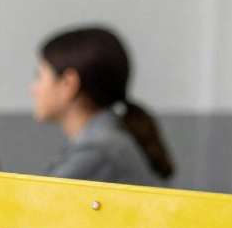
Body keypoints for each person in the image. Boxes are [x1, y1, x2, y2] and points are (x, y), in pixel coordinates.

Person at [30, 26, 174, 185]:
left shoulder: (96, 149)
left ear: (68, 84)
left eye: (39, 76)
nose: (33, 88)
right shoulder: (101, 138)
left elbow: (37, 205)